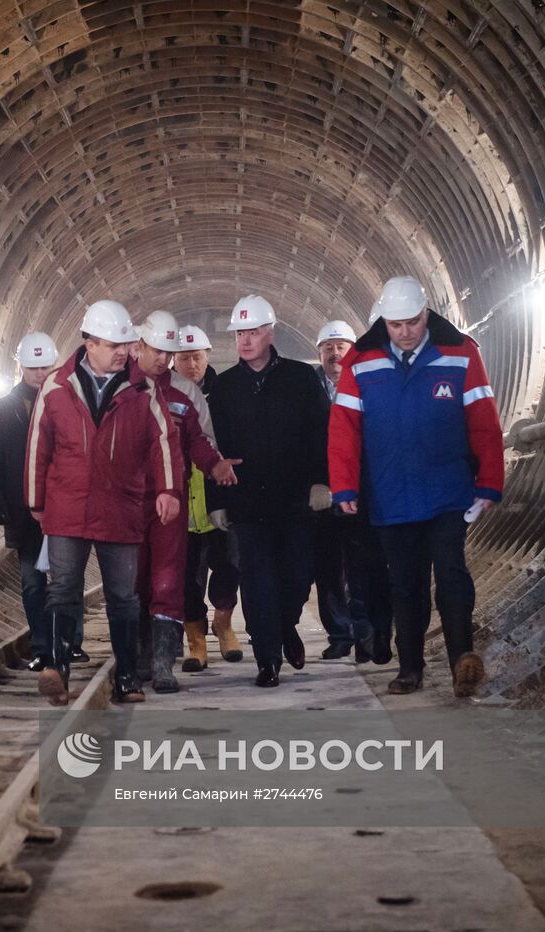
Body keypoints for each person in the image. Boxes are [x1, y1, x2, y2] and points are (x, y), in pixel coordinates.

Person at [328, 276, 505, 697]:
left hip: (448, 490)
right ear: (384, 322)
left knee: (450, 571)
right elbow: (344, 430)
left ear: (427, 314)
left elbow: (484, 419)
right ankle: (410, 669)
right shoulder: (361, 359)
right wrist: (345, 488)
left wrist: (489, 483)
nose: (406, 332)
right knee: (405, 583)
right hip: (392, 493)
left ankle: (464, 658)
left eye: (413, 322)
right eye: (396, 325)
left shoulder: (460, 351)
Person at [25, 300, 182, 704]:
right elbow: (37, 447)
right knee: (62, 589)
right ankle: (56, 670)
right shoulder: (56, 388)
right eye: (113, 344)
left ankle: (128, 677)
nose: (122, 351)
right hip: (68, 507)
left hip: (120, 507)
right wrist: (35, 499)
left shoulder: (141, 391)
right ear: (89, 343)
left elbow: (164, 441)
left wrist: (168, 490)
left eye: (124, 344)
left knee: (123, 596)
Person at [207, 296, 332, 688]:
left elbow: (322, 434)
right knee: (257, 580)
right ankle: (267, 660)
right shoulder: (225, 389)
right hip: (248, 503)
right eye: (241, 333)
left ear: (270, 332)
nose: (245, 340)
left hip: (295, 500)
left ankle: (286, 626)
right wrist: (217, 501)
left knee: (297, 576)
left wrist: (322, 481)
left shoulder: (301, 378)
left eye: (253, 332)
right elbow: (216, 449)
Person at [132, 312, 239, 693]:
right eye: (157, 350)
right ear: (139, 346)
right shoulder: (121, 388)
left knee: (167, 579)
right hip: (127, 503)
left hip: (169, 503)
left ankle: (162, 663)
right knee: (132, 581)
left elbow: (198, 439)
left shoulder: (183, 393)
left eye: (168, 352)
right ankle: (137, 656)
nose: (163, 359)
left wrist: (215, 465)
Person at [0, 332, 61, 672]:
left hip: (62, 510)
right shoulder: (3, 409)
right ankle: (42, 646)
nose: (39, 374)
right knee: (32, 582)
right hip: (22, 511)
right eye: (33, 368)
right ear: (21, 366)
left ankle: (68, 644)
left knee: (65, 580)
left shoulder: (65, 405)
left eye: (45, 367)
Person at [174, 325, 242, 669]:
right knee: (186, 577)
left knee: (230, 565)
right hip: (180, 505)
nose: (191, 364)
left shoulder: (227, 392)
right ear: (174, 359)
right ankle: (196, 639)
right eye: (184, 357)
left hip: (220, 499)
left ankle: (224, 623)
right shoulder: (163, 394)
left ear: (208, 356)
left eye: (196, 356)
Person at [311, 320, 374, 662]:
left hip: (359, 489)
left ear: (352, 350)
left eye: (341, 346)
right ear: (319, 352)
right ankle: (339, 634)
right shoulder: (309, 389)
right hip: (322, 492)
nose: (335, 353)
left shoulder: (365, 384)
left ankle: (365, 633)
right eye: (328, 347)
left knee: (361, 565)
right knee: (327, 567)